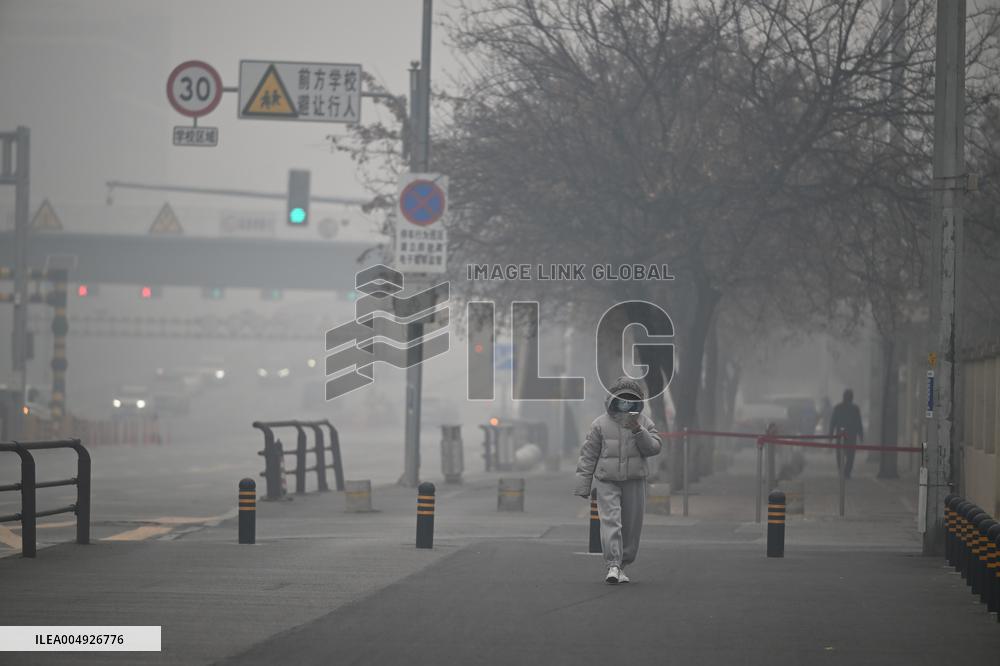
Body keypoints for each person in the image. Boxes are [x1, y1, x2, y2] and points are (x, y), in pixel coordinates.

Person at [574, 376, 662, 585]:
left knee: (632, 527)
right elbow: (588, 455)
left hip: (634, 481)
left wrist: (638, 431)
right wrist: (583, 484)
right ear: (613, 399)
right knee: (611, 521)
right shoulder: (600, 424)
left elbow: (654, 448)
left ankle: (623, 563)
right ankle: (613, 564)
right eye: (621, 399)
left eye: (630, 400)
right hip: (607, 480)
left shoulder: (644, 422)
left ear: (637, 401)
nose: (625, 403)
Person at [829, 389, 864, 479]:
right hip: (851, 436)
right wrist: (861, 436)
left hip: (840, 436)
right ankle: (847, 473)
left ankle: (842, 472)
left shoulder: (838, 408)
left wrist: (830, 436)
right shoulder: (855, 409)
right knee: (850, 456)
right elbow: (858, 423)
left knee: (839, 455)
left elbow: (833, 423)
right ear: (852, 398)